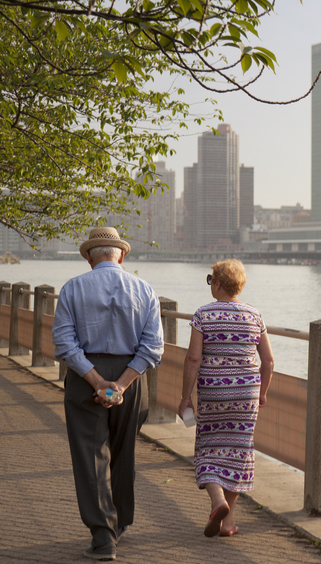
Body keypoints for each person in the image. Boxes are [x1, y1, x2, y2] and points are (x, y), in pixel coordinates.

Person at [52, 227, 164, 561]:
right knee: (123, 450)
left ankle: (103, 536)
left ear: (89, 257)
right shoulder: (144, 289)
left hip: (85, 376)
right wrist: (122, 384)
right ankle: (123, 521)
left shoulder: (73, 288)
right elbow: (153, 347)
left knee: (90, 454)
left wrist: (97, 381)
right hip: (131, 377)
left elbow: (63, 343)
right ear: (122, 255)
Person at [178, 259, 274, 538]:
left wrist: (186, 397)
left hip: (213, 393)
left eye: (211, 280)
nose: (211, 284)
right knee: (238, 453)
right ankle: (227, 522)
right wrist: (263, 392)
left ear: (217, 283)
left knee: (208, 448)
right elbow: (267, 361)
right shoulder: (254, 315)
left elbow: (193, 359)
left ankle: (218, 502)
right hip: (246, 395)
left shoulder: (202, 315)